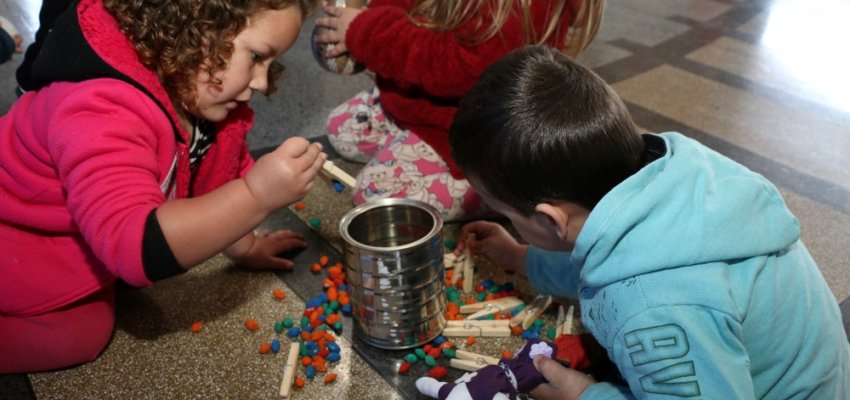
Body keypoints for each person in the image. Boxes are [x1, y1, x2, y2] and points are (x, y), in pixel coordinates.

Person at [449, 45, 850, 399]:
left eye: (506, 212)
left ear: (551, 220)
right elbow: (602, 257)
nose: (505, 218)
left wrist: (585, 394)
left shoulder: (650, 308)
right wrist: (522, 257)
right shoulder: (671, 174)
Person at [0, 0, 323, 373]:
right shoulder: (99, 105)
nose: (262, 82)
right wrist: (255, 196)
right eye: (255, 57)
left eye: (271, 64)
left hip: (72, 244)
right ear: (199, 26)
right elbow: (136, 246)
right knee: (78, 335)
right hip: (14, 243)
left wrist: (245, 244)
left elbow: (216, 179)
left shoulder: (203, 101)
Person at [314, 0, 604, 221]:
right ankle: (410, 140)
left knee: (374, 193)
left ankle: (500, 190)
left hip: (477, 133)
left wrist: (365, 30)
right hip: (426, 107)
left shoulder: (521, 8)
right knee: (342, 128)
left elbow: (451, 69)